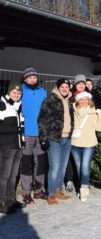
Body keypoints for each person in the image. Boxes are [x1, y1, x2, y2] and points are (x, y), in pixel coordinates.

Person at [38, 79, 74, 205]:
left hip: (67, 138)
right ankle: (51, 194)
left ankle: (58, 191)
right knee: (55, 167)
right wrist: (43, 139)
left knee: (63, 167)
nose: (64, 89)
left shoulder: (71, 100)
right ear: (58, 88)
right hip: (54, 138)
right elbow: (42, 120)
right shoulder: (50, 100)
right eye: (62, 87)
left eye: (66, 87)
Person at [20, 66, 48, 205]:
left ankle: (38, 190)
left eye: (34, 77)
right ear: (25, 79)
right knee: (26, 163)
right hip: (27, 133)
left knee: (40, 162)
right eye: (29, 77)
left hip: (41, 134)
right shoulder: (20, 91)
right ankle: (26, 192)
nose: (32, 79)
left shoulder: (42, 92)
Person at [71, 90, 101, 201]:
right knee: (79, 167)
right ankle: (84, 185)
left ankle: (83, 190)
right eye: (82, 99)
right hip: (75, 143)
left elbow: (99, 128)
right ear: (78, 101)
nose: (85, 101)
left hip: (89, 143)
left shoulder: (93, 112)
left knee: (85, 167)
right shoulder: (73, 110)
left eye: (86, 99)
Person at [0, 82, 25, 213]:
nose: (16, 95)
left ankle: (11, 199)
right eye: (14, 92)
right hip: (7, 145)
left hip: (18, 145)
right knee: (4, 175)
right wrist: (16, 128)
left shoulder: (17, 106)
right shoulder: (2, 104)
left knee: (13, 174)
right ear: (9, 92)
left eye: (19, 93)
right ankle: (1, 201)